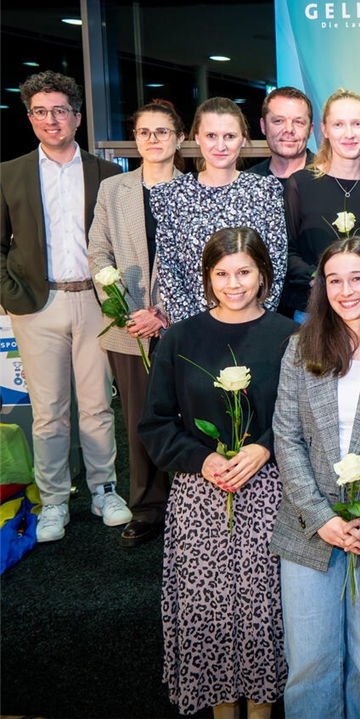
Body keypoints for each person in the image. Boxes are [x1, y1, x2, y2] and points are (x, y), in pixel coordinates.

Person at [138, 227, 298, 718]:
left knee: (261, 617)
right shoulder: (181, 337)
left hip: (268, 495)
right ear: (208, 278)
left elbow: (302, 417)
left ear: (264, 276)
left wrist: (264, 449)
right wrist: (201, 459)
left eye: (245, 272)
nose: (234, 284)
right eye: (222, 273)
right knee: (209, 618)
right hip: (199, 496)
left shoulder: (289, 336)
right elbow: (155, 423)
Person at [270, 237, 360, 719]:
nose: (346, 290)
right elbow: (286, 438)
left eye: (357, 278)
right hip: (308, 530)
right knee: (311, 667)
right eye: (335, 280)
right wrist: (320, 517)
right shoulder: (301, 347)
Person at [0, 70, 127, 542]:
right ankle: (54, 500)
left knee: (97, 407)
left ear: (76, 117)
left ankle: (104, 489)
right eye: (40, 111)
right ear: (29, 116)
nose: (50, 120)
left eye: (59, 111)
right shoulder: (8, 173)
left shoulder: (108, 174)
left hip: (96, 303)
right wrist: (12, 296)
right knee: (49, 411)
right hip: (37, 305)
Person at [88, 98, 183, 547]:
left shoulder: (194, 189)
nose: (153, 140)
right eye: (144, 132)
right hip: (128, 328)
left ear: (180, 138)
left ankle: (187, 503)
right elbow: (99, 253)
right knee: (140, 419)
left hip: (183, 323)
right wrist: (125, 310)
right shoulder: (114, 190)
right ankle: (146, 506)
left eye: (162, 131)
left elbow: (204, 261)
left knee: (185, 414)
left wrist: (163, 312)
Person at [151, 96, 287, 323]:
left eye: (230, 136)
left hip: (253, 326)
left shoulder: (264, 191)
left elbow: (275, 266)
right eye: (211, 136)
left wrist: (255, 321)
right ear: (197, 138)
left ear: (243, 139)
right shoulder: (173, 194)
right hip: (194, 330)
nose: (221, 146)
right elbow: (168, 270)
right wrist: (195, 329)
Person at [282, 89, 360, 316]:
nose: (349, 134)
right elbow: (287, 250)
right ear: (324, 129)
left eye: (357, 124)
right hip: (313, 312)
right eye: (338, 125)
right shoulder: (300, 184)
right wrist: (322, 280)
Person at [246, 86, 314, 179]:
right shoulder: (248, 184)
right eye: (278, 121)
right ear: (263, 126)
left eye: (298, 122)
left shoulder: (332, 177)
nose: (289, 129)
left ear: (310, 129)